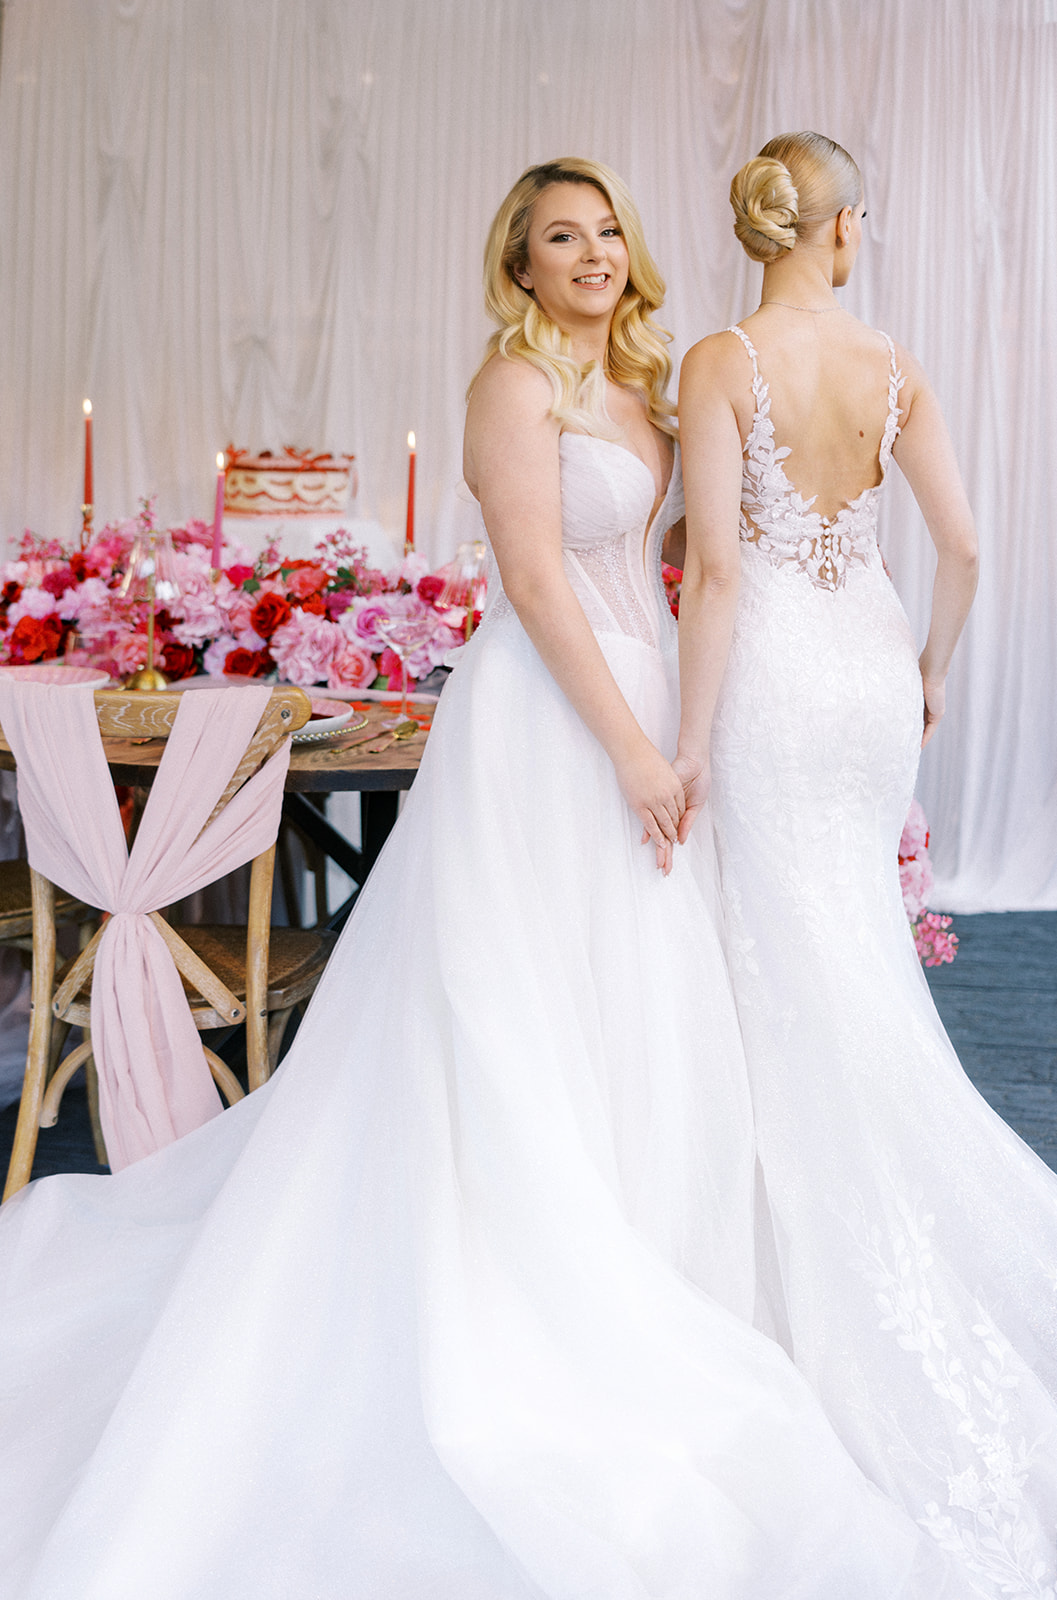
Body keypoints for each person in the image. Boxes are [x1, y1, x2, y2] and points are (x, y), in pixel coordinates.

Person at [0, 156, 958, 1600]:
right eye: (556, 237)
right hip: (552, 719)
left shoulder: (643, 379)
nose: (588, 252)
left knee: (632, 990)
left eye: (604, 229)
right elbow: (534, 580)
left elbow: (682, 548)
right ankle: (520, 1275)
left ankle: (637, 1250)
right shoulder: (512, 390)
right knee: (512, 997)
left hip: (641, 706)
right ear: (517, 268)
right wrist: (637, 747)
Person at [675, 129, 1057, 1597]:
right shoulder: (888, 362)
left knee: (780, 945)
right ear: (839, 229)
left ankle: (769, 1237)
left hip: (771, 672)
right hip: (864, 673)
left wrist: (687, 740)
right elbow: (957, 545)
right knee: (844, 940)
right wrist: (932, 669)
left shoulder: (720, 359)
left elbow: (713, 569)